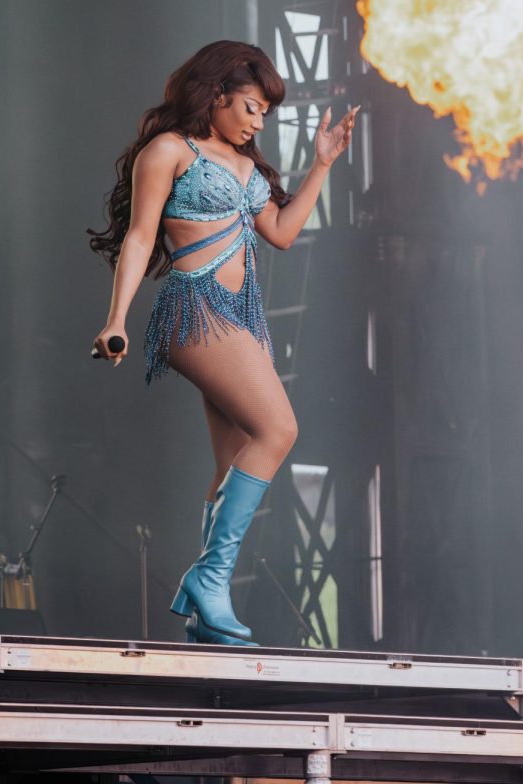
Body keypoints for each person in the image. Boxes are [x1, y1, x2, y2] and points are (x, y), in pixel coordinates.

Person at [88, 40, 358, 646]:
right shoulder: (168, 151)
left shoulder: (251, 167)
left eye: (264, 113)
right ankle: (210, 577)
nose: (258, 122)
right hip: (196, 307)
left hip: (241, 318)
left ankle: (203, 608)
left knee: (232, 459)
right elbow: (138, 238)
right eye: (252, 107)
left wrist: (322, 164)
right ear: (216, 96)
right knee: (279, 431)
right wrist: (117, 319)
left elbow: (284, 234)